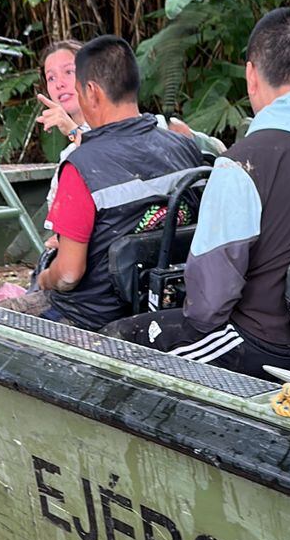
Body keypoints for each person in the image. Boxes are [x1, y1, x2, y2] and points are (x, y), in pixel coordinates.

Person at [109, 8, 290, 376]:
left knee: (115, 342)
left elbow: (209, 305)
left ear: (251, 75)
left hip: (263, 346)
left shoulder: (243, 163)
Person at [20, 34, 203, 329]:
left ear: (91, 93)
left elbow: (68, 275)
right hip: (165, 305)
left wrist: (44, 277)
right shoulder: (184, 147)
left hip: (89, 318)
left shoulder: (81, 165)